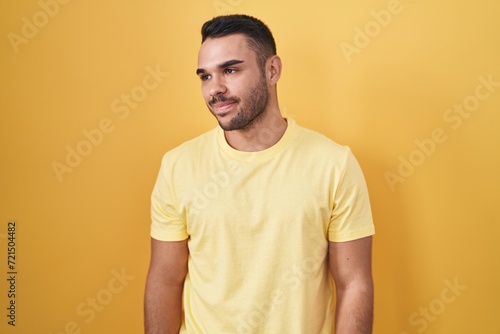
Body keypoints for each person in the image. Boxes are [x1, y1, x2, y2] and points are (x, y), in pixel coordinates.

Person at [144, 14, 375, 334]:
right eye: (205, 76)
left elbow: (354, 284)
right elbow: (165, 280)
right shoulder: (178, 166)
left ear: (272, 70)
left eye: (230, 70)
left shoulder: (333, 165)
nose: (215, 89)